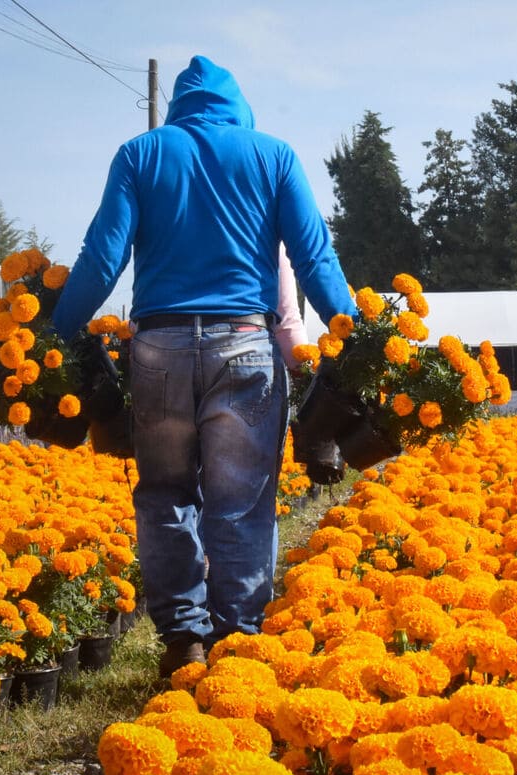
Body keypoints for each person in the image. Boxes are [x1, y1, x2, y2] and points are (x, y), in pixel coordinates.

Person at [50, 55, 356, 679]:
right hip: (244, 344)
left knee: (164, 493)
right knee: (241, 500)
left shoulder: (141, 154)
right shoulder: (273, 156)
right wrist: (356, 336)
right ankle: (236, 641)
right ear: (238, 108)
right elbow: (314, 258)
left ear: (180, 106)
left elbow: (102, 257)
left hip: (158, 348)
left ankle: (183, 639)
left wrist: (51, 335)